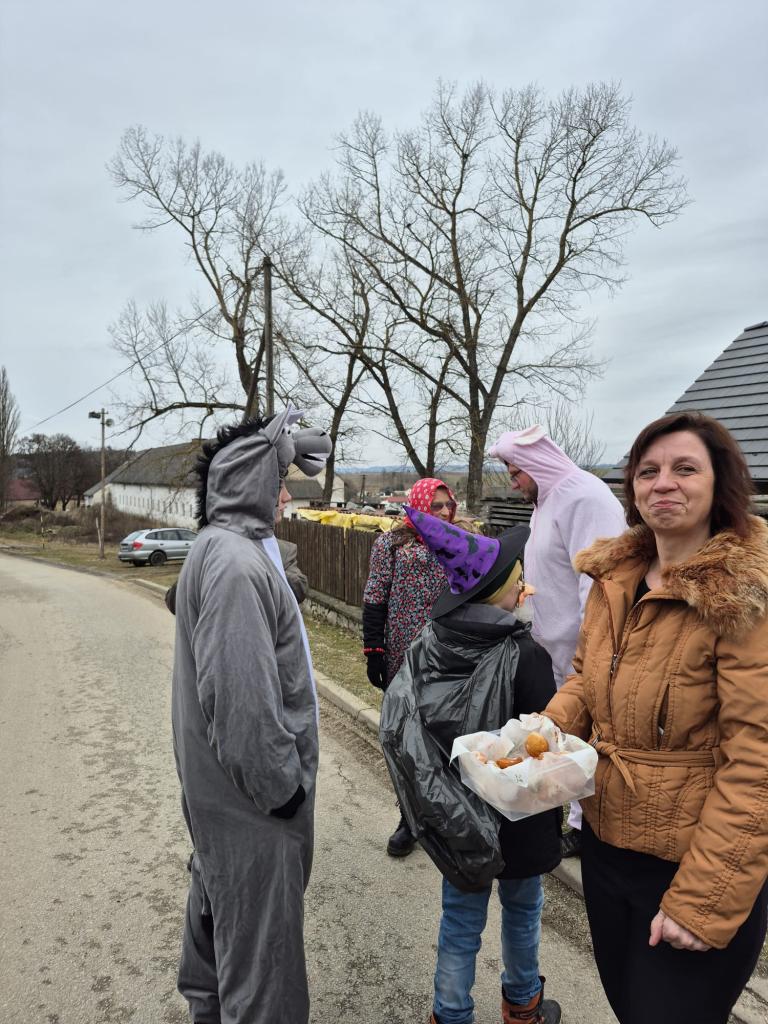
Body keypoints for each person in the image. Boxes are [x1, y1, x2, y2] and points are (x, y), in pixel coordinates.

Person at [542, 411, 768, 1024]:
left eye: (684, 468)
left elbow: (757, 761)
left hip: (691, 864)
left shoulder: (744, 594)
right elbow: (587, 678)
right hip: (608, 846)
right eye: (648, 471)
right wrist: (541, 734)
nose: (663, 482)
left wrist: (702, 900)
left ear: (719, 483)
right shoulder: (615, 578)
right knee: (627, 1004)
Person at [171, 408, 331, 1024]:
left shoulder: (218, 549)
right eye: (279, 479)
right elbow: (242, 709)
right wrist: (283, 792)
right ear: (250, 479)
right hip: (252, 809)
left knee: (222, 915)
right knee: (265, 969)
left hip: (222, 799)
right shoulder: (236, 565)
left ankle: (209, 1008)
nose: (285, 496)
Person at [380, 509, 562, 1024]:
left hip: (456, 815)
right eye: (519, 582)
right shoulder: (524, 655)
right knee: (523, 910)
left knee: (460, 920)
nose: (525, 589)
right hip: (519, 817)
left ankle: (451, 1013)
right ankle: (522, 1004)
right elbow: (542, 737)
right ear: (500, 595)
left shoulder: (431, 645)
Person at [489, 426, 625, 857]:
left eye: (516, 472)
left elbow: (599, 581)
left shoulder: (584, 497)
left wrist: (593, 649)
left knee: (591, 733)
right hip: (552, 647)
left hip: (585, 650)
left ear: (538, 464)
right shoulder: (546, 502)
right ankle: (574, 818)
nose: (513, 483)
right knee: (565, 737)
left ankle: (587, 828)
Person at [362, 477, 461, 856]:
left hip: (448, 657)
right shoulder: (391, 543)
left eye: (448, 505)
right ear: (418, 505)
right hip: (402, 657)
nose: (444, 512)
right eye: (435, 506)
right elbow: (375, 596)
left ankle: (444, 817)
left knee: (444, 739)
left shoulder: (460, 541)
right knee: (405, 740)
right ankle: (410, 818)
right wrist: (374, 649)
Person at [163, 482, 308, 613]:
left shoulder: (283, 550)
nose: (288, 497)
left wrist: (256, 566)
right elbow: (174, 602)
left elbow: (299, 589)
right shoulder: (211, 546)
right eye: (279, 488)